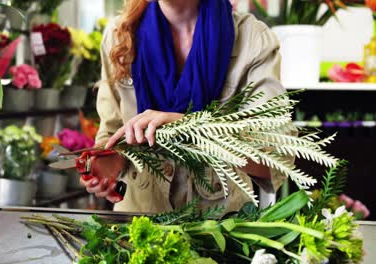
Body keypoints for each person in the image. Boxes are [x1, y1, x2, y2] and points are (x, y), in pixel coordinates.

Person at [80, 0, 288, 213]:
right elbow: (112, 132)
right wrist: (109, 161)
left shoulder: (252, 38)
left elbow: (276, 162)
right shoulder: (119, 36)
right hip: (136, 225)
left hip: (218, 229)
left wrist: (192, 129)